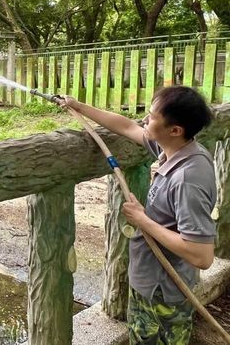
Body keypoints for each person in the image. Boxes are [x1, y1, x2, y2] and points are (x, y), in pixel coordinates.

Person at [63, 86, 216, 344]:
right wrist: (79, 107)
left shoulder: (188, 179)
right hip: (158, 282)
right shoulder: (178, 151)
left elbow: (202, 255)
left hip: (163, 292)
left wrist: (143, 220)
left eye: (152, 116)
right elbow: (126, 127)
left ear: (175, 130)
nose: (145, 120)